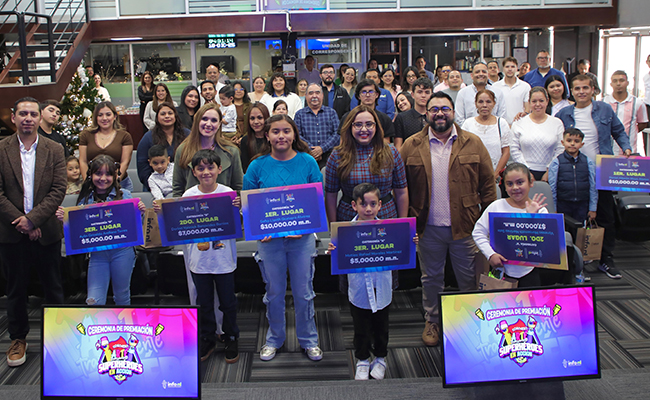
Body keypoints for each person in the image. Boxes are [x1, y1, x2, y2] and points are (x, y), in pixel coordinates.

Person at [400, 92, 496, 347]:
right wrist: (406, 223)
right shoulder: (411, 145)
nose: (439, 113)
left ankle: (469, 323)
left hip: (466, 227)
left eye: (445, 108)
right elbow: (401, 187)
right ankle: (432, 320)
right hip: (427, 227)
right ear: (427, 114)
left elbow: (488, 186)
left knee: (468, 278)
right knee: (431, 278)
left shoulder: (473, 143)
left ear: (453, 112)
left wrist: (488, 226)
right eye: (434, 109)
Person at [243, 114, 324, 362]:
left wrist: (305, 226)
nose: (281, 136)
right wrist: (259, 230)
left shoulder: (308, 162)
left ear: (294, 134)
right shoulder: (257, 166)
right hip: (270, 242)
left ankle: (309, 340)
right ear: (267, 136)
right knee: (274, 293)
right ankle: (274, 339)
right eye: (275, 131)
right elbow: (248, 204)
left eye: (286, 131)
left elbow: (317, 201)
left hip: (302, 240)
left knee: (304, 292)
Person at [326, 183, 418, 381]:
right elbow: (339, 256)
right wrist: (333, 250)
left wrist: (410, 241)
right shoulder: (344, 232)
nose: (368, 209)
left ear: (380, 205)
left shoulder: (391, 230)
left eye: (373, 204)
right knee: (361, 327)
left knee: (381, 327)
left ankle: (381, 358)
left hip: (382, 286)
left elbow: (402, 249)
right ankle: (362, 359)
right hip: (359, 289)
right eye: (363, 204)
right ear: (354, 205)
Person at [0, 97, 66, 367]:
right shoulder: (1, 149)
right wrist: (22, 222)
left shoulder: (55, 149)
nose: (28, 118)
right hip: (11, 232)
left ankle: (59, 339)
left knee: (54, 288)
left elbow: (58, 189)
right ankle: (18, 339)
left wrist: (34, 220)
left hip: (46, 231)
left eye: (33, 114)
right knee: (15, 290)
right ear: (14, 117)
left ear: (40, 118)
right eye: (23, 113)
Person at [162, 149, 240, 363]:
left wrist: (238, 208)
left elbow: (237, 223)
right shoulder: (188, 196)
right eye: (201, 168)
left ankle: (231, 336)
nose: (206, 172)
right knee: (203, 302)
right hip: (199, 261)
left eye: (210, 167)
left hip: (224, 260)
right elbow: (180, 226)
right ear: (194, 172)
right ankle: (207, 337)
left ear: (219, 169)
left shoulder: (228, 193)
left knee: (228, 302)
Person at [556, 74, 632, 279]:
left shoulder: (604, 109)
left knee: (605, 216)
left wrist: (626, 148)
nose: (581, 92)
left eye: (585, 88)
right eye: (577, 88)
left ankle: (606, 259)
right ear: (571, 91)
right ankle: (574, 262)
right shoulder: (564, 114)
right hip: (574, 171)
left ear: (593, 90)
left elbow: (619, 131)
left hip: (601, 171)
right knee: (575, 217)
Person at [56, 154, 146, 306]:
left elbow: (136, 228)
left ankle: (123, 321)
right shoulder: (85, 199)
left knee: (122, 296)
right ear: (90, 175)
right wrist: (65, 221)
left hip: (123, 252)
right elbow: (79, 232)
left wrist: (141, 213)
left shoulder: (125, 195)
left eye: (108, 174)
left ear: (115, 176)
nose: (103, 178)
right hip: (98, 255)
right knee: (94, 300)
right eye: (98, 173)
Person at [325, 105, 408, 224]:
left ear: (376, 127)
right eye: (358, 125)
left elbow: (401, 192)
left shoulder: (391, 152)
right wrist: (333, 228)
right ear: (350, 127)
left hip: (386, 216)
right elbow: (331, 196)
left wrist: (403, 224)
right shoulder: (337, 155)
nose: (364, 129)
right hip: (349, 217)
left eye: (369, 124)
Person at [472, 163, 549, 287]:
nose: (515, 187)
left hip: (531, 272)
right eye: (510, 184)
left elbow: (544, 243)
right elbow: (478, 232)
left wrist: (531, 218)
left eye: (520, 182)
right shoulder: (496, 206)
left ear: (530, 183)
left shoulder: (540, 211)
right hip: (501, 270)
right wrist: (490, 254)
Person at [173, 102, 243, 197]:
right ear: (197, 121)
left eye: (214, 120)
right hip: (193, 205)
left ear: (219, 124)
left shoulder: (231, 151)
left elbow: (238, 188)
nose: (208, 124)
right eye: (204, 119)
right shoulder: (182, 150)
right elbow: (177, 189)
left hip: (223, 205)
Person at [510, 87, 565, 181]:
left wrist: (549, 171)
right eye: (534, 101)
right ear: (529, 102)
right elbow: (514, 149)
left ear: (547, 101)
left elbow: (560, 149)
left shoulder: (557, 123)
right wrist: (526, 171)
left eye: (541, 101)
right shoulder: (518, 123)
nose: (538, 104)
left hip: (550, 172)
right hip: (524, 173)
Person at [79, 101, 134, 192]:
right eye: (100, 115)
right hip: (93, 183)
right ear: (96, 117)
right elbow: (83, 161)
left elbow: (125, 162)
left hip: (120, 183)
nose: (104, 118)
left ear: (114, 116)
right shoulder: (86, 135)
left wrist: (114, 181)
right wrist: (88, 182)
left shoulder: (124, 136)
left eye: (108, 114)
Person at [548, 128, 598, 223]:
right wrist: (553, 208)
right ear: (563, 142)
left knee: (579, 229)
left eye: (576, 141)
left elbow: (593, 186)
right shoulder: (556, 162)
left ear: (582, 144)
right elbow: (552, 188)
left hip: (582, 204)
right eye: (569, 140)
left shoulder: (589, 162)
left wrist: (593, 208)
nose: (572, 144)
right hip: (562, 204)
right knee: (563, 229)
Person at [460, 89, 512, 181]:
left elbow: (506, 152)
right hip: (473, 176)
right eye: (481, 102)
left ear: (494, 104)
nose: (484, 105)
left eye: (488, 102)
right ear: (476, 104)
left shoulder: (502, 123)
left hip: (496, 176)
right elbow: (463, 151)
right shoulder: (468, 124)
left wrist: (495, 174)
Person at [137, 103, 189, 191]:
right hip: (156, 185)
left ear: (175, 116)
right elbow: (142, 166)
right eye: (163, 114)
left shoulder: (187, 135)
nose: (167, 116)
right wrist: (155, 186)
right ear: (157, 117)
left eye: (170, 113)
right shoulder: (148, 137)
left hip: (184, 184)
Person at [294, 83, 340, 168]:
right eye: (311, 93)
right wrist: (312, 150)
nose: (314, 96)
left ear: (322, 95)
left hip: (329, 157)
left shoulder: (331, 113)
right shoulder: (299, 115)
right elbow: (296, 135)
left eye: (317, 93)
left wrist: (322, 148)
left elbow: (337, 133)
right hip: (306, 157)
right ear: (306, 96)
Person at [604, 70, 649, 156]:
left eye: (621, 80)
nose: (618, 83)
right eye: (615, 81)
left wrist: (630, 132)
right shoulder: (603, 102)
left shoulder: (638, 103)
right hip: (608, 151)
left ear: (627, 83)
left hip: (630, 152)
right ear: (611, 84)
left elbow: (643, 124)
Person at [338, 80, 395, 144]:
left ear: (377, 95)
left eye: (371, 92)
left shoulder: (385, 119)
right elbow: (343, 142)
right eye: (364, 92)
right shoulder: (347, 117)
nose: (368, 95)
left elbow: (386, 143)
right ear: (358, 96)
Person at [455, 62, 507, 126]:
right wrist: (470, 130)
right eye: (477, 72)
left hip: (493, 129)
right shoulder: (463, 93)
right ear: (472, 76)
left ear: (488, 75)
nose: (481, 74)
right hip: (469, 131)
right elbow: (459, 119)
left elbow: (502, 117)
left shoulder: (497, 92)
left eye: (484, 72)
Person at [393, 77, 433, 151]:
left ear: (432, 95)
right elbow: (398, 147)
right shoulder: (402, 118)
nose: (423, 95)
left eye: (427, 92)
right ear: (412, 94)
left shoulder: (436, 117)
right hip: (409, 156)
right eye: (420, 92)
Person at [492, 57, 531, 124]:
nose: (510, 69)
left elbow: (528, 108)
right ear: (503, 69)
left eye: (513, 67)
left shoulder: (525, 86)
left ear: (516, 68)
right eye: (507, 67)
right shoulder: (495, 86)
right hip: (500, 124)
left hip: (519, 124)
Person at [240, 102, 270, 172]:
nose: (256, 122)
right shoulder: (245, 141)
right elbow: (245, 168)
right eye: (252, 118)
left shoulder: (273, 139)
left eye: (260, 118)